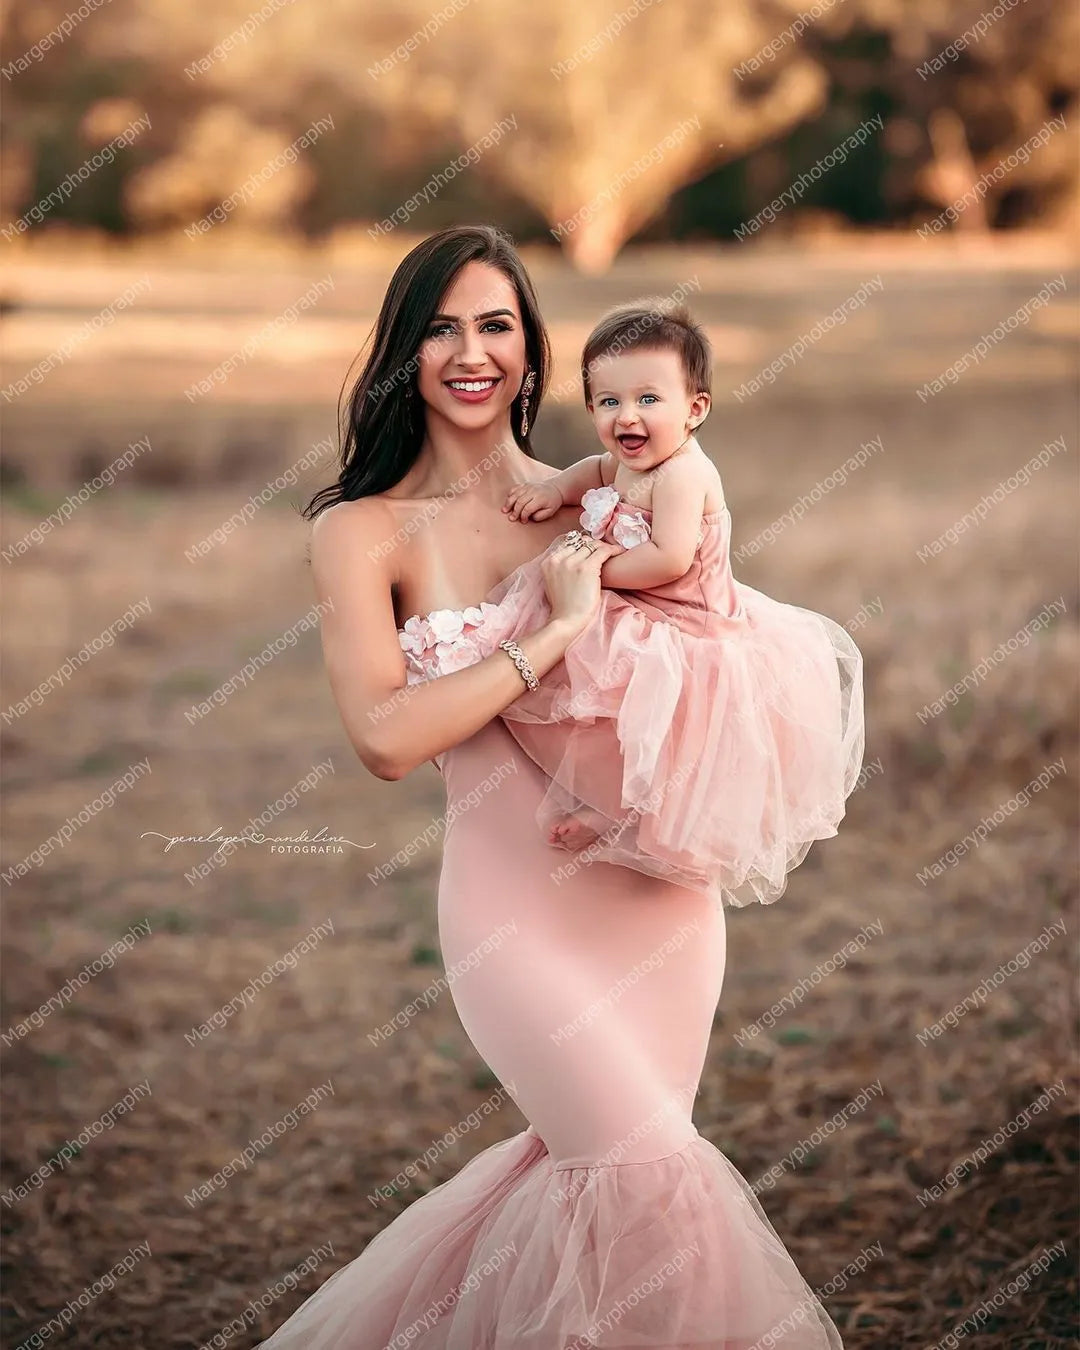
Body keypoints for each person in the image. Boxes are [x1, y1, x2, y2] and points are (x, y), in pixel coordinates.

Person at [257, 224, 845, 1348]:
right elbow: (384, 738)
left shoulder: (611, 494)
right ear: (401, 352)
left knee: (613, 1187)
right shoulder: (360, 531)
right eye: (439, 328)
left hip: (654, 895)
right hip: (511, 915)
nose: (470, 352)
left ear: (531, 350)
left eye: (497, 325)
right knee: (638, 1165)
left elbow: (708, 675)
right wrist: (551, 634)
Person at [464, 299, 865, 906]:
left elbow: (669, 559)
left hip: (694, 635)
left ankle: (628, 821)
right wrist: (553, 490)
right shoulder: (626, 460)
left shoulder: (682, 475)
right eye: (609, 401)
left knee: (670, 749)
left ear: (695, 408)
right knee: (605, 722)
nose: (627, 417)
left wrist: (595, 570)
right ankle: (605, 804)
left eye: (649, 400)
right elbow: (594, 469)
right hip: (652, 617)